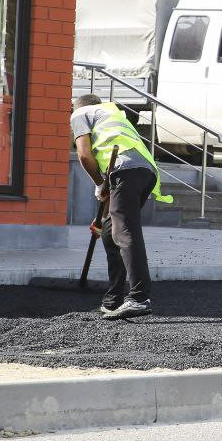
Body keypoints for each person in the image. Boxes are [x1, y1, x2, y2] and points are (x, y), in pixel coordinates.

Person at [71, 94, 173, 320]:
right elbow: (116, 178)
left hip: (123, 170)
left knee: (124, 231)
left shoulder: (81, 113)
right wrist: (103, 217)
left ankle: (138, 298)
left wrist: (99, 183)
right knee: (110, 232)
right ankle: (113, 299)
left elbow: (84, 154)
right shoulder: (112, 114)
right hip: (144, 172)